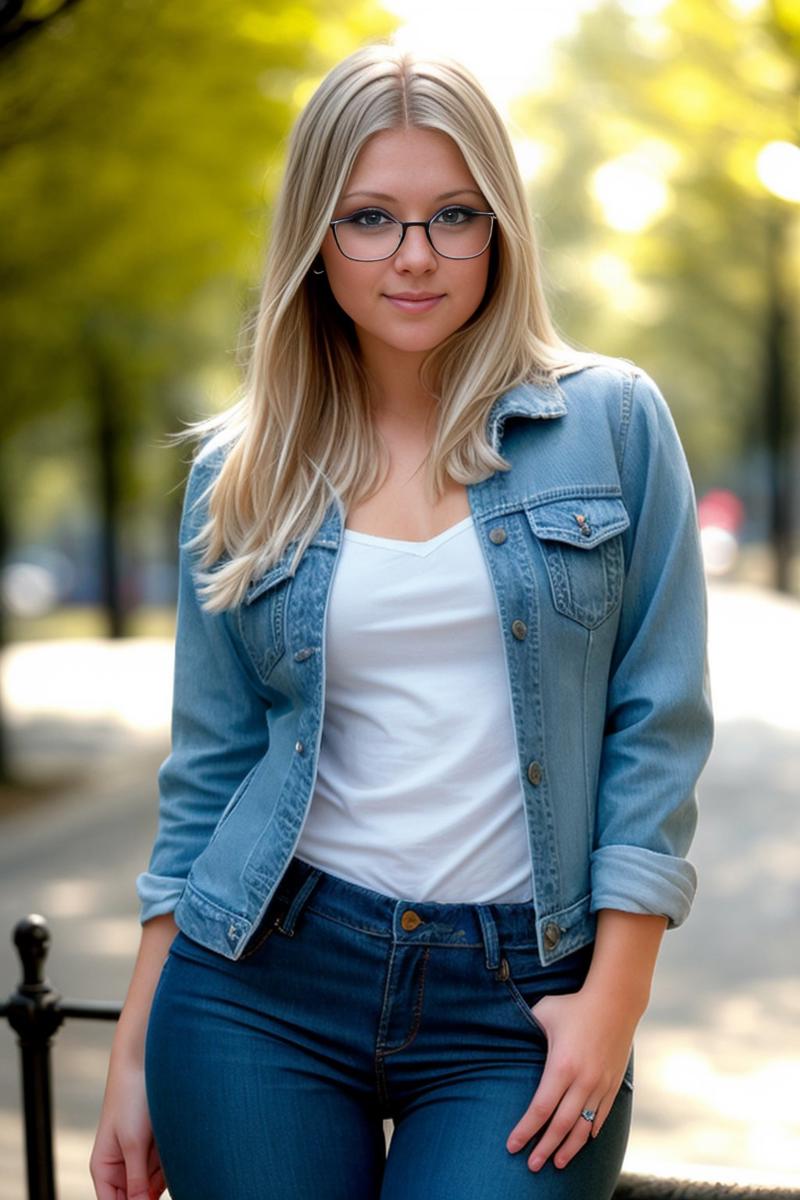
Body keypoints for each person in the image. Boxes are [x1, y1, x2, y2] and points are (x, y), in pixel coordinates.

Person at [90, 41, 714, 1200]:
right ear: (315, 242)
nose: (414, 256)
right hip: (259, 988)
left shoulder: (611, 423)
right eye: (369, 217)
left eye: (453, 215)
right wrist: (132, 1046)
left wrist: (610, 1002)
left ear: (501, 227)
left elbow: (657, 722)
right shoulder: (240, 471)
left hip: (519, 995)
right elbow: (212, 765)